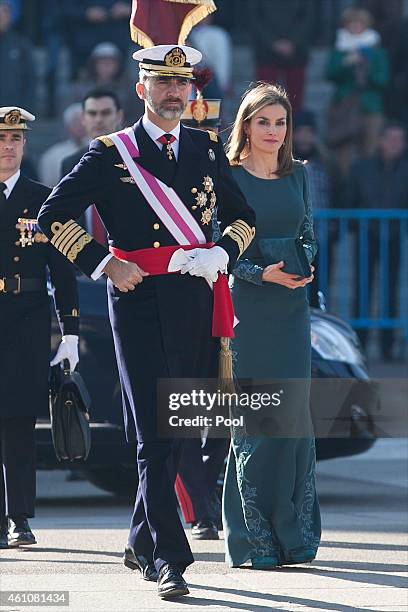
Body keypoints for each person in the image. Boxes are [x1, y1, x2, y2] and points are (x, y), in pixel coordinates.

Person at [37, 45, 255, 599]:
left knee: (176, 430)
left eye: (181, 84)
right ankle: (169, 557)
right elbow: (50, 216)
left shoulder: (205, 149)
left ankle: (139, 536)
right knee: (155, 432)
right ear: (142, 90)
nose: (173, 93)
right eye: (162, 84)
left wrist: (222, 252)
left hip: (197, 302)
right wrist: (104, 263)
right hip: (137, 304)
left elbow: (243, 217)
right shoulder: (111, 154)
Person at [222, 82, 321, 569]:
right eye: (263, 121)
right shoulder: (228, 176)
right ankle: (255, 541)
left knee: (295, 422)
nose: (273, 131)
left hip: (292, 311)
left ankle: (295, 537)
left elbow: (308, 233)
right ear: (245, 125)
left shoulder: (299, 176)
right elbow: (218, 249)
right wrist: (261, 273)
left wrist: (307, 266)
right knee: (257, 422)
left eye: (280, 122)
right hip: (249, 312)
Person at [0, 106, 79, 549]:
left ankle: (20, 518)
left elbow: (63, 270)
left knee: (19, 421)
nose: (8, 146)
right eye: (1, 138)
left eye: (15, 139)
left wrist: (69, 332)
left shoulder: (42, 198)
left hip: (27, 317)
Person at [347, 121, 408, 360]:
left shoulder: (405, 169)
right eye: (391, 138)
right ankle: (359, 345)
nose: (395, 144)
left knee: (390, 290)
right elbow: (349, 198)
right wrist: (356, 223)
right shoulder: (362, 168)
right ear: (380, 141)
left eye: (399, 139)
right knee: (362, 289)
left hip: (393, 236)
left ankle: (387, 348)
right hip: (366, 235)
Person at [326, 7, 390, 177]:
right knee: (343, 152)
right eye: (351, 23)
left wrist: (365, 66)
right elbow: (330, 74)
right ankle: (345, 188)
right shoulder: (340, 49)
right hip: (345, 106)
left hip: (370, 107)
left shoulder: (376, 51)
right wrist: (346, 64)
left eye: (359, 23)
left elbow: (382, 80)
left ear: (366, 25)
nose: (355, 26)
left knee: (370, 150)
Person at [248, 0, 315, 112]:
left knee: (295, 99)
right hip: (266, 53)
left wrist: (293, 41)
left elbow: (309, 18)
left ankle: (293, 126)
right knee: (265, 99)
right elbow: (253, 18)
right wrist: (272, 42)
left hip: (296, 53)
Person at [38, 103, 86, 187]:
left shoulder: (100, 149)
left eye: (83, 121)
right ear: (67, 126)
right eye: (75, 122)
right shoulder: (52, 155)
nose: (80, 125)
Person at [0, 1, 36, 110]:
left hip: (11, 113)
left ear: (10, 17)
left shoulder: (21, 44)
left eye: (4, 12)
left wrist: (25, 110)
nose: (1, 16)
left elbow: (30, 79)